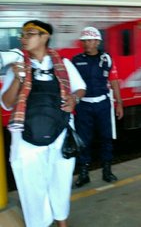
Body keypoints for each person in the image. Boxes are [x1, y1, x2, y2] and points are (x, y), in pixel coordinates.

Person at [1, 20, 86, 227]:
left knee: (61, 181)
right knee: (31, 187)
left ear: (45, 36)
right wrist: (19, 79)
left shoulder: (63, 64)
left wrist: (74, 99)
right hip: (26, 139)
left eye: (29, 33)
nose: (23, 38)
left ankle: (61, 223)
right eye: (22, 34)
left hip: (60, 134)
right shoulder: (17, 67)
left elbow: (80, 88)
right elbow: (6, 104)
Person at [72, 27, 124, 188]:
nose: (87, 43)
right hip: (83, 106)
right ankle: (84, 173)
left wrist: (119, 102)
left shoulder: (106, 59)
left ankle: (106, 171)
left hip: (103, 104)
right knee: (83, 140)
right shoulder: (76, 60)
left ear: (97, 42)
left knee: (106, 137)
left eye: (90, 40)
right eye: (85, 40)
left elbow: (114, 80)